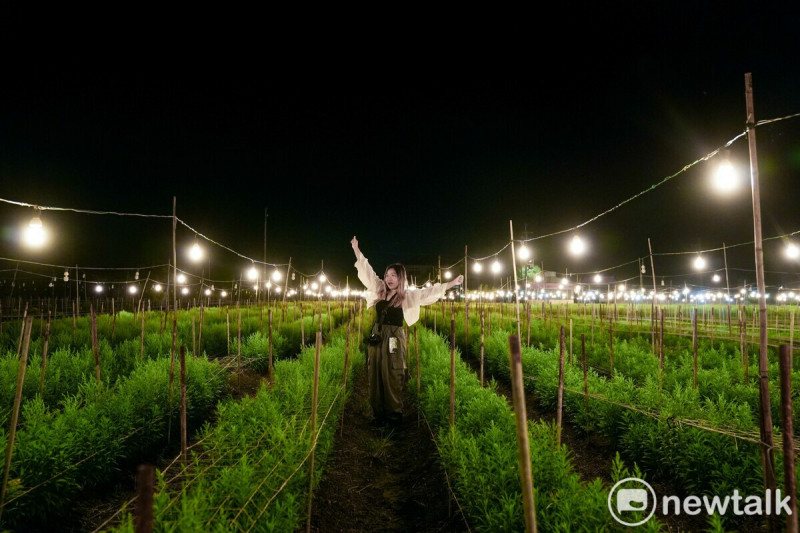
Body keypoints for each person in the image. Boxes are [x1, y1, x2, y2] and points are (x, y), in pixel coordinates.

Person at [351, 236, 464, 427]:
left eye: (393, 276)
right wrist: (356, 248)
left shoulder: (407, 296)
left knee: (392, 373)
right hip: (377, 336)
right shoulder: (379, 289)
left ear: (400, 277)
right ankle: (378, 415)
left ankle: (394, 416)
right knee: (376, 372)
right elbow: (367, 271)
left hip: (394, 337)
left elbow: (428, 293)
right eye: (387, 275)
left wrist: (452, 283)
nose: (389, 279)